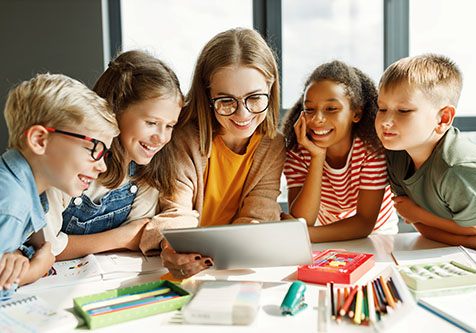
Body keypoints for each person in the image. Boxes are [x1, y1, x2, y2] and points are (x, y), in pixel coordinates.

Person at [139, 28, 285, 279]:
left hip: (232, 266)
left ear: (270, 90)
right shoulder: (184, 136)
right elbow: (177, 211)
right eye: (226, 101)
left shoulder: (272, 145)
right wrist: (174, 247)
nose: (243, 115)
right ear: (207, 96)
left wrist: (237, 247)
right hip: (189, 264)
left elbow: (258, 214)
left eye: (255, 98)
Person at [43, 50, 183, 260]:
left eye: (170, 126)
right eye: (151, 123)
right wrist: (120, 238)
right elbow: (45, 247)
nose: (161, 138)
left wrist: (128, 239)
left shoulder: (147, 171)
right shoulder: (67, 164)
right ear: (115, 109)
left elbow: (137, 235)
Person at [0, 73, 118, 297]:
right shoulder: (12, 205)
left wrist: (16, 251)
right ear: (39, 140)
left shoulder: (20, 188)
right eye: (93, 149)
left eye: (105, 154)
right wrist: (35, 269)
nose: (102, 166)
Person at [375, 54, 476, 254]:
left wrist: (419, 214)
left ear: (443, 118)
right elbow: (425, 231)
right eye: (381, 108)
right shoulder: (396, 155)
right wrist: (474, 241)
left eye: (404, 111)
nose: (385, 121)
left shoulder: (458, 170)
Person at [281, 60, 398, 243]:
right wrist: (317, 156)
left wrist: (305, 234)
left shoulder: (372, 150)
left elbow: (364, 223)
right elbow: (302, 220)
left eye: (331, 109)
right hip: (325, 228)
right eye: (309, 109)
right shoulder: (298, 152)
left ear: (356, 114)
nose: (317, 118)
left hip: (377, 232)